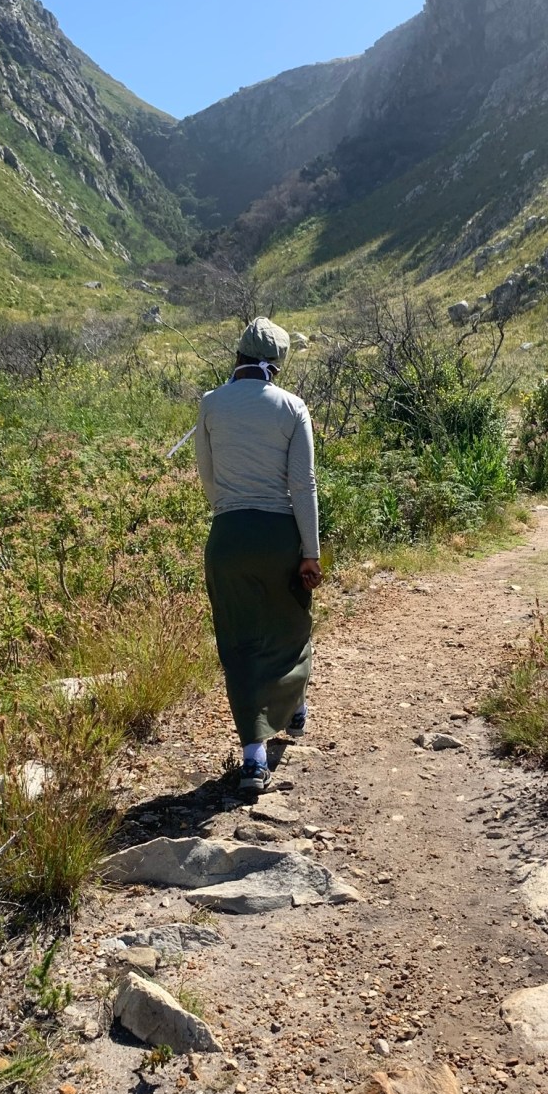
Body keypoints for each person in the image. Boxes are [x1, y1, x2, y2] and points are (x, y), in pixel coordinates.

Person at [194, 318, 323, 793]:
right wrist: (310, 551)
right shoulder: (292, 407)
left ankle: (253, 759)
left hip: (228, 535)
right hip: (280, 534)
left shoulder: (211, 404)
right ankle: (294, 707)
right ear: (278, 363)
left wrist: (232, 515)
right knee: (290, 626)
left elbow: (208, 477)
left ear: (239, 355)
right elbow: (303, 485)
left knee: (240, 641)